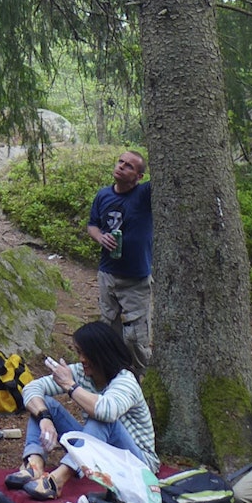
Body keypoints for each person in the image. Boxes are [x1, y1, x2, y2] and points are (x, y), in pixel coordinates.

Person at [4, 321, 158, 501]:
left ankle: (58, 480)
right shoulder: (81, 372)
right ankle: (34, 464)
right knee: (44, 404)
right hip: (101, 452)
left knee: (100, 419)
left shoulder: (125, 381)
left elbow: (106, 412)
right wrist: (44, 417)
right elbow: (31, 389)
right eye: (79, 353)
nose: (82, 359)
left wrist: (69, 385)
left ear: (102, 354)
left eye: (86, 354)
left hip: (137, 463)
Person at [86, 150, 153, 376]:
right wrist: (100, 237)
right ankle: (115, 377)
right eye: (120, 161)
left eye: (130, 166)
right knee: (109, 331)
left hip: (136, 278)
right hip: (108, 274)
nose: (122, 166)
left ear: (139, 176)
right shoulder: (103, 195)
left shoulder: (144, 195)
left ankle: (143, 380)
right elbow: (92, 225)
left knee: (135, 338)